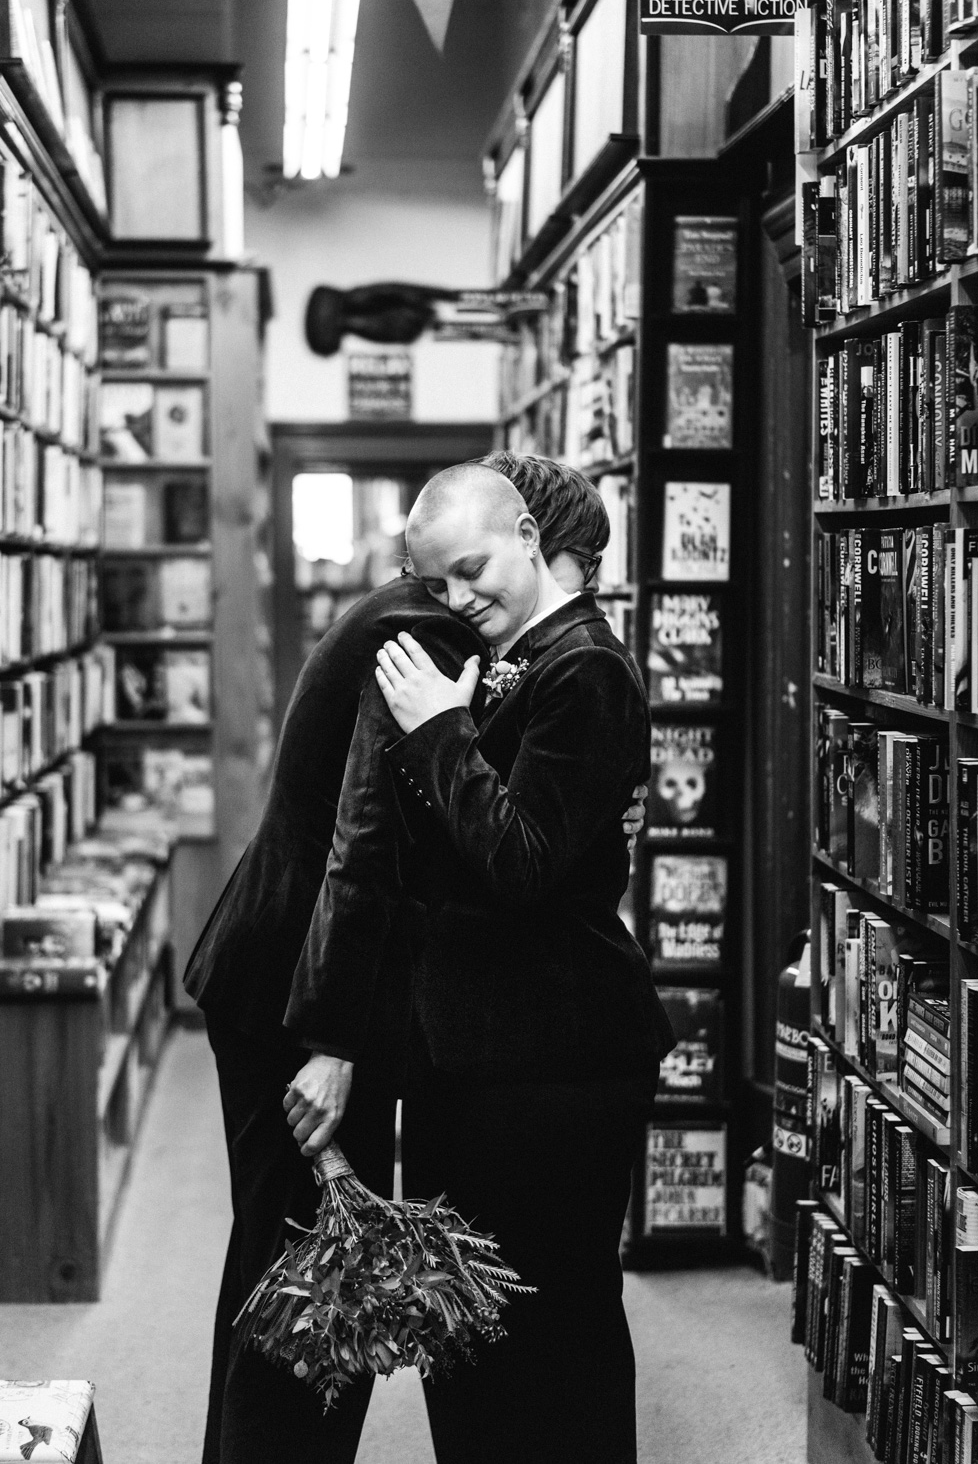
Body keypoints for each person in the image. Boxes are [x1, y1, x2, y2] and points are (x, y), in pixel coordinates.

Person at [183, 451, 645, 1464]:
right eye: (584, 574)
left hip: (324, 971)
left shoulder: (455, 620)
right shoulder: (432, 630)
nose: (579, 605)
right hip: (304, 978)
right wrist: (333, 1036)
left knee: (299, 1275)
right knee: (302, 1291)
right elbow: (366, 841)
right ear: (544, 544)